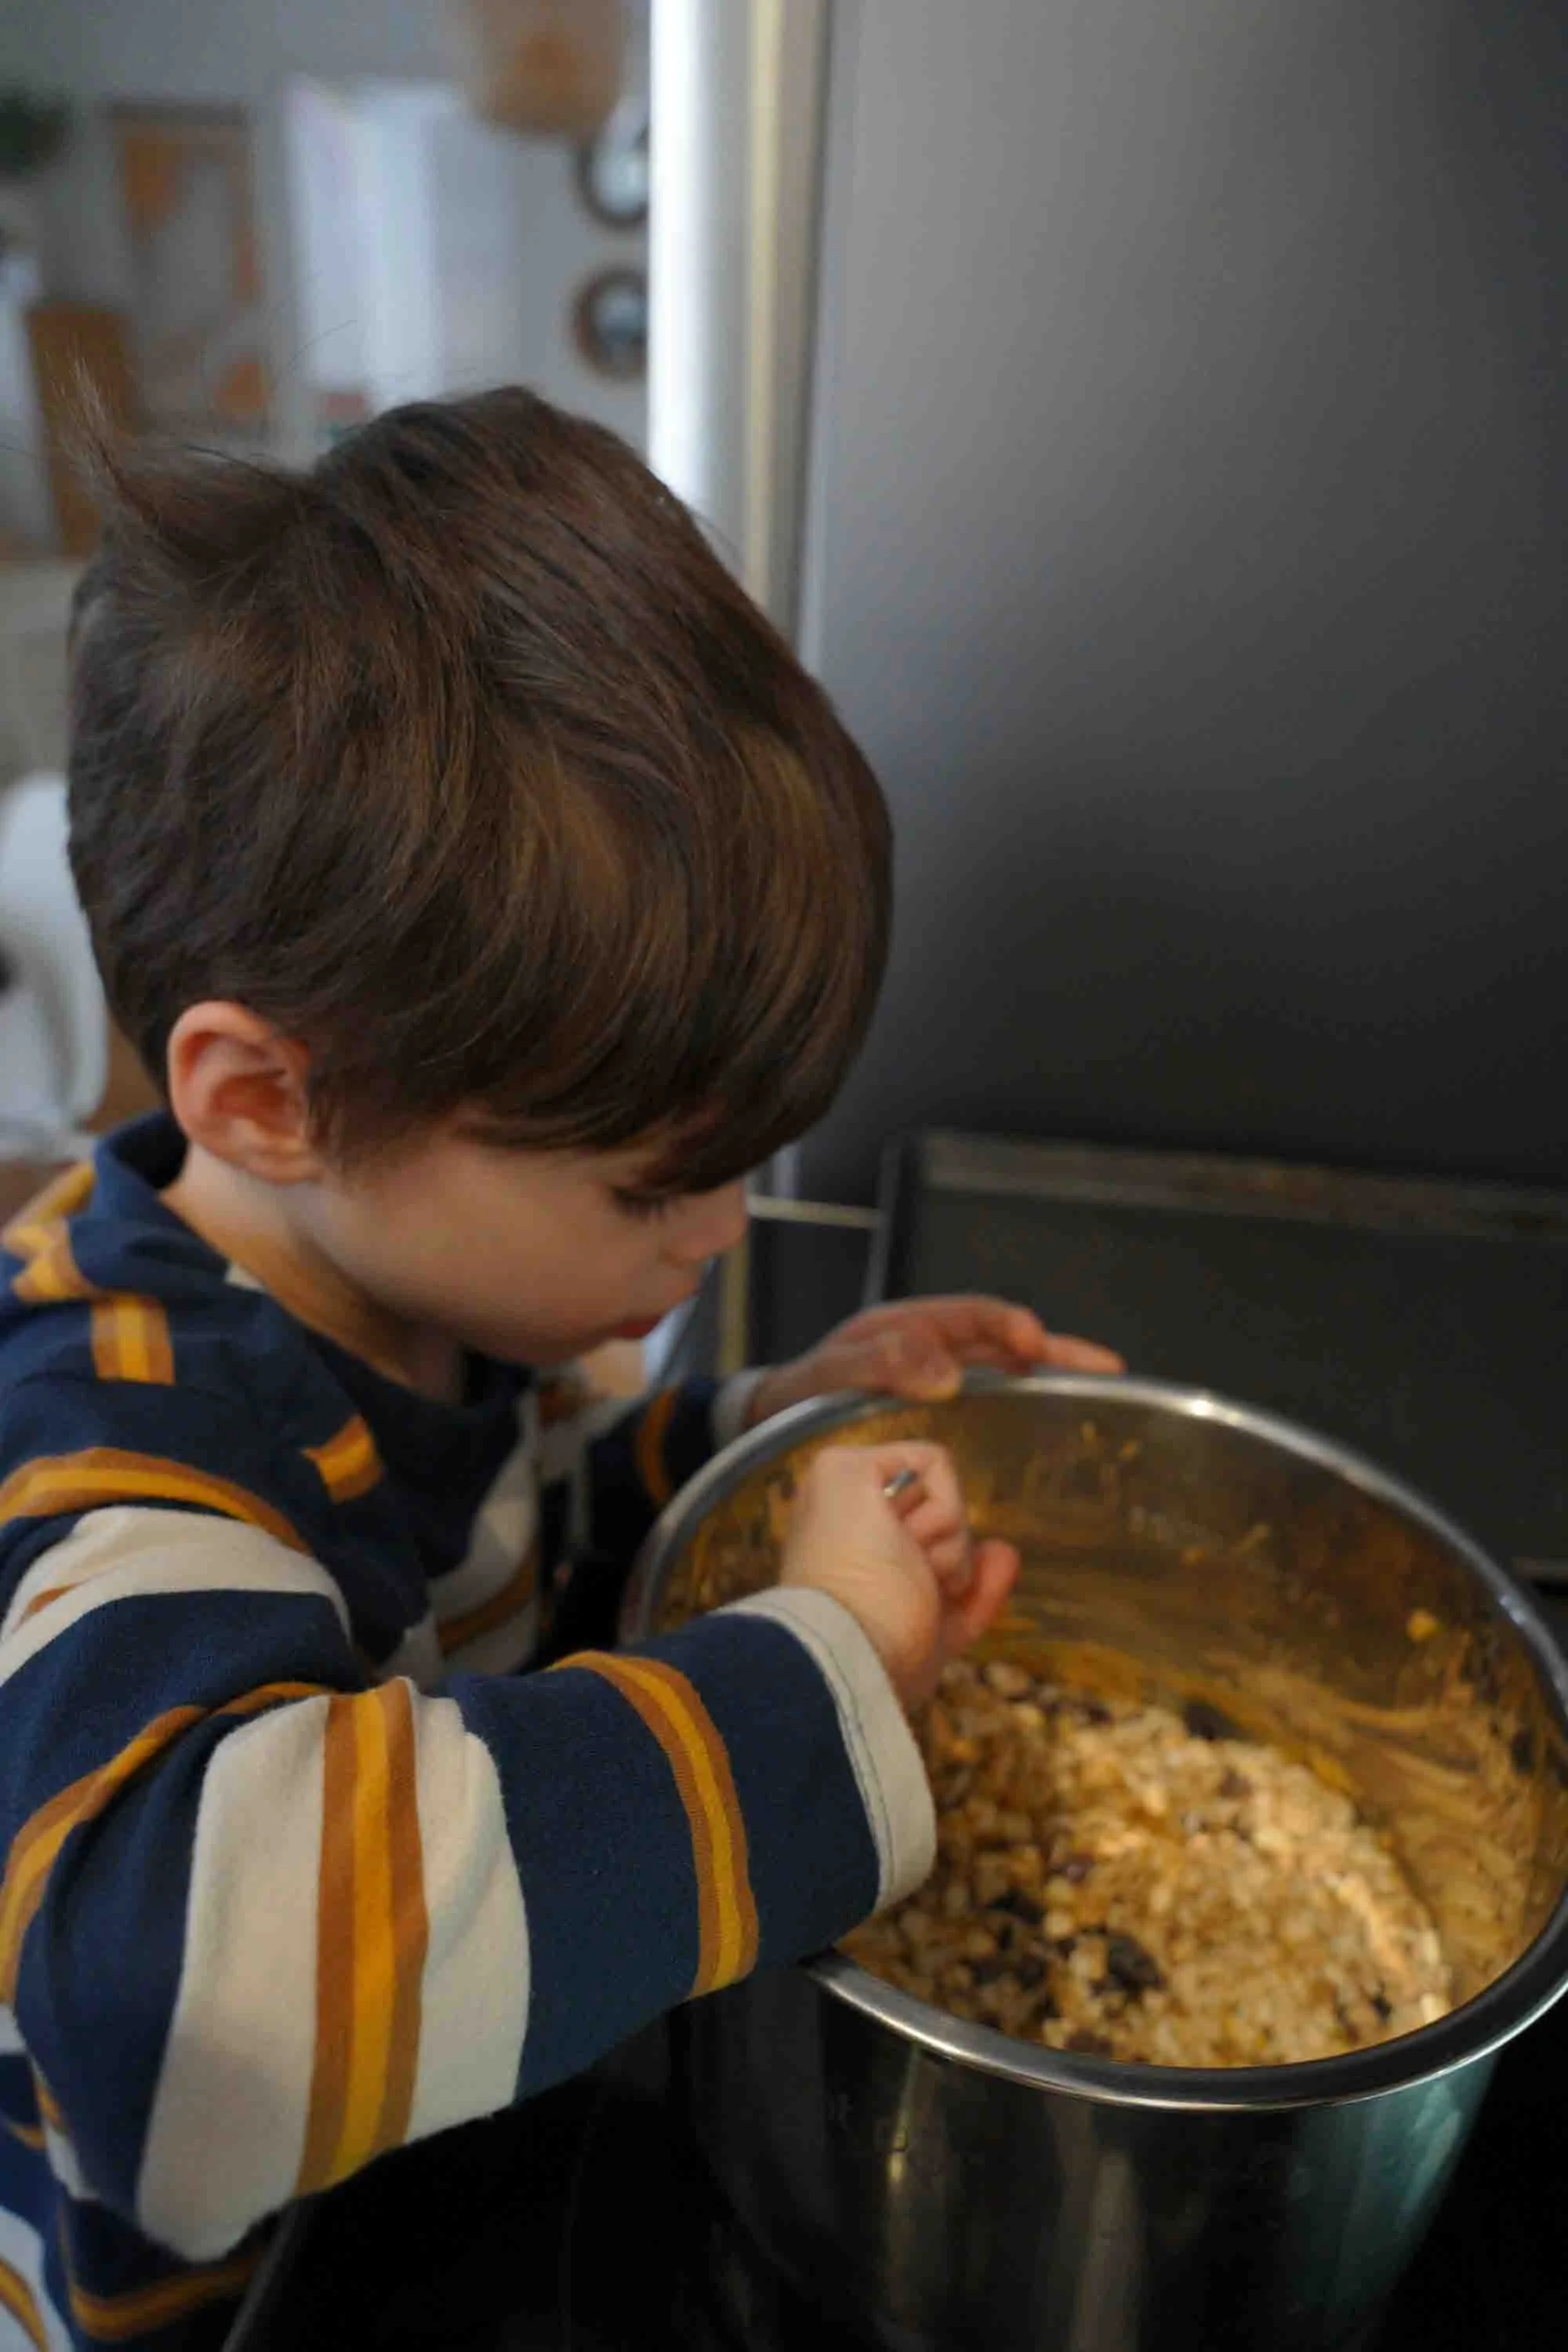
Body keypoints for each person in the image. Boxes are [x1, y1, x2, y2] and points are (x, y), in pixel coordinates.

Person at [0, 389, 1120, 2350]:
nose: (719, 1240)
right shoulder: (105, 1446)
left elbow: (502, 1523)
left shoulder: (414, 1281)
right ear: (268, 1098)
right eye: (651, 1187)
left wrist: (749, 1435)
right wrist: (816, 1677)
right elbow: (181, 2016)